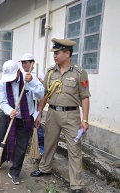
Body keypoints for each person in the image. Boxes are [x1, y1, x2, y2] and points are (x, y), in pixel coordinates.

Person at [30, 38, 90, 193]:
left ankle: (76, 184)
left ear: (67, 53)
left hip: (72, 116)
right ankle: (45, 168)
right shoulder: (51, 72)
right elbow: (44, 94)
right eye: (54, 53)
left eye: (57, 53)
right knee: (49, 143)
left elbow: (85, 97)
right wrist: (39, 113)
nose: (55, 56)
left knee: (74, 149)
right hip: (52, 113)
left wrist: (85, 119)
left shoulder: (79, 73)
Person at [0, 60, 44, 185]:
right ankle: (0, 160)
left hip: (25, 118)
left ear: (18, 71)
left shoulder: (28, 78)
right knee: (0, 139)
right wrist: (10, 110)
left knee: (21, 147)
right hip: (8, 115)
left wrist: (33, 81)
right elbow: (2, 102)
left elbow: (41, 94)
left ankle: (15, 171)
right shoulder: (2, 83)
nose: (11, 80)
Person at [20, 53, 45, 155]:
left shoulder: (39, 74)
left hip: (36, 103)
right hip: (27, 104)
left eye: (25, 63)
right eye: (22, 63)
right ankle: (28, 145)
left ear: (32, 63)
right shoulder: (22, 75)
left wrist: (39, 112)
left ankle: (41, 148)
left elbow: (42, 95)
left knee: (37, 126)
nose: (24, 65)